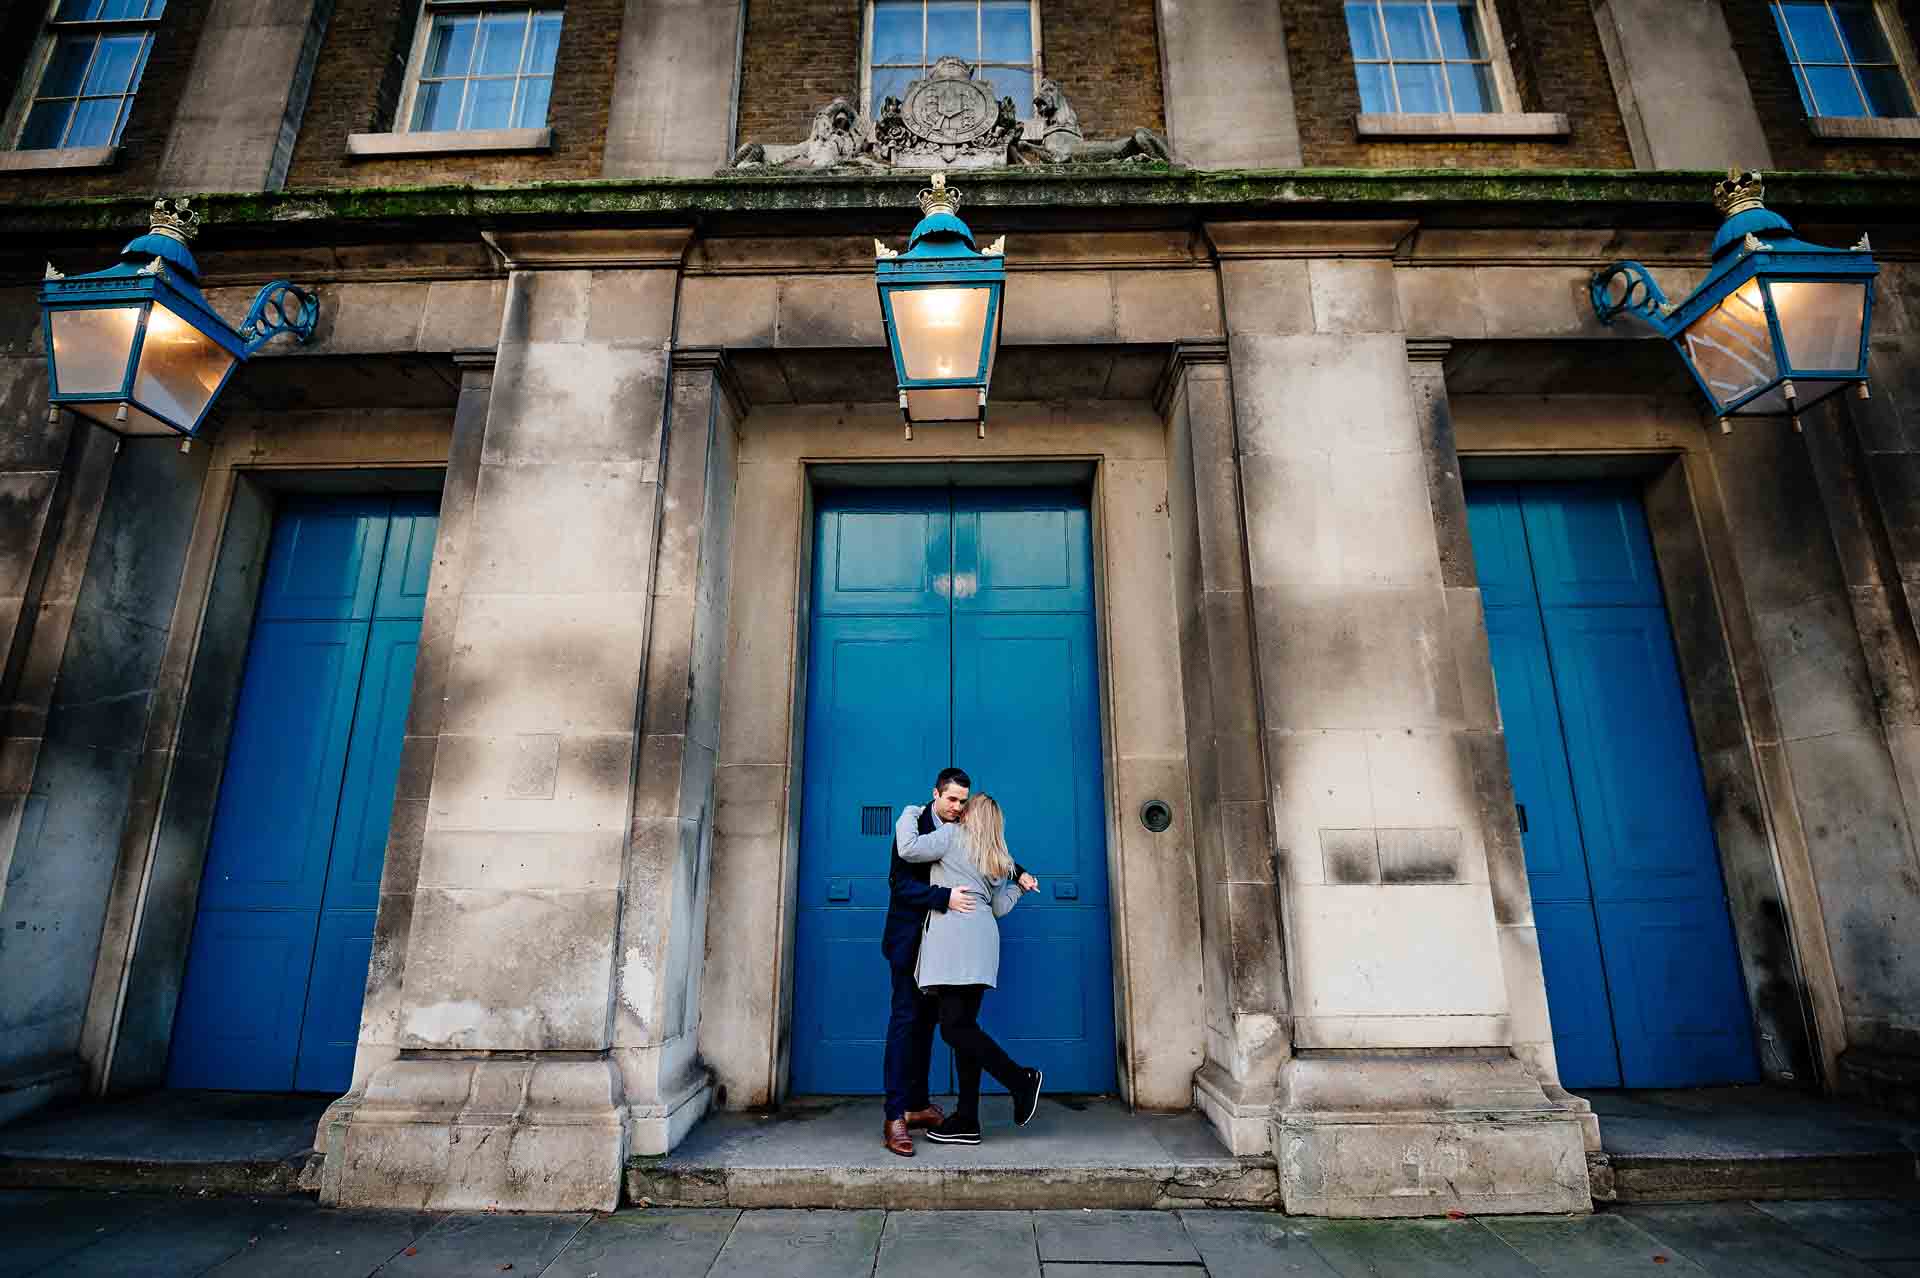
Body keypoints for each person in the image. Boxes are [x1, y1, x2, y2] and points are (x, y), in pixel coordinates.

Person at [879, 767, 1035, 1157]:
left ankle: (954, 1110)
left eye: (964, 801)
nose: (958, 807)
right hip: (915, 944)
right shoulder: (926, 828)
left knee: (950, 1029)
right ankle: (900, 1114)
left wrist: (1017, 873)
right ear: (936, 794)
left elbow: (993, 857)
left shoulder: (960, 835)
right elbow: (901, 879)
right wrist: (944, 896)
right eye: (951, 800)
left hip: (949, 948)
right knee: (913, 1025)